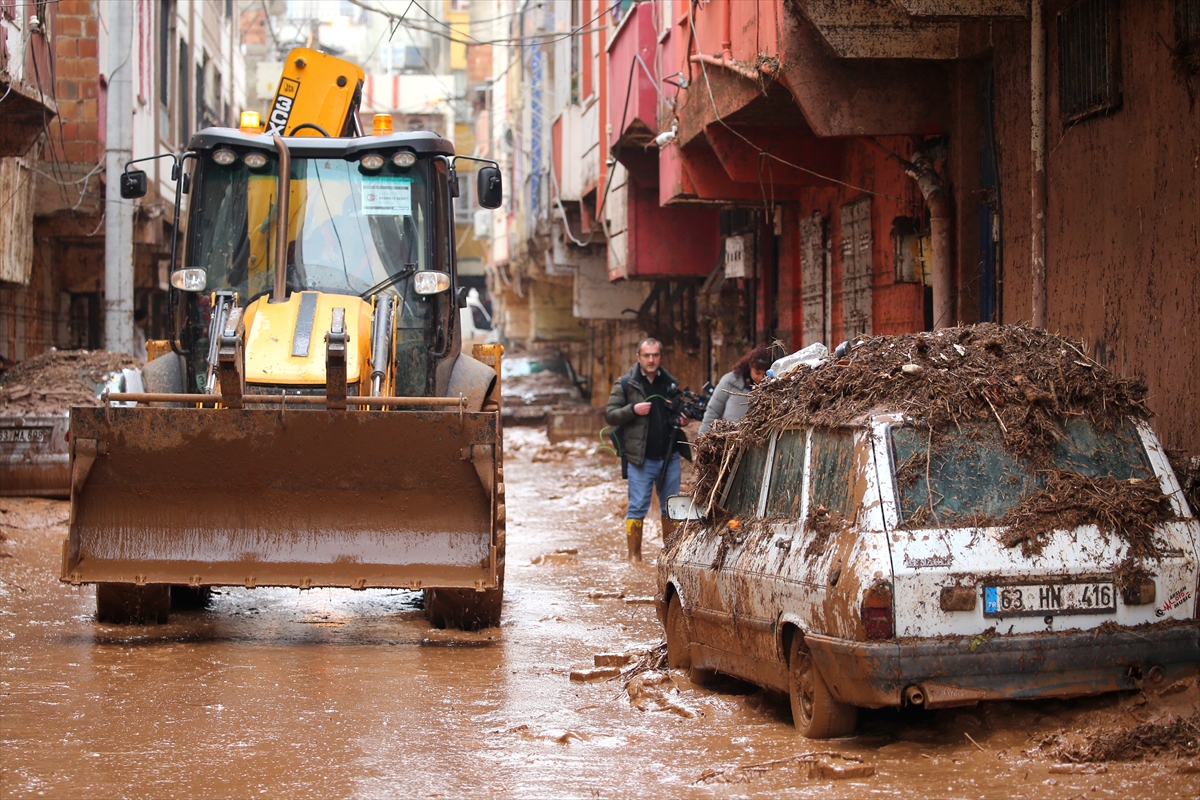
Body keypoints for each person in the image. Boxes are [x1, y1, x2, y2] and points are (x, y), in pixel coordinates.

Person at [605, 338, 692, 562]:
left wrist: (682, 421)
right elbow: (611, 414)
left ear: (661, 357)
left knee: (671, 506)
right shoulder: (626, 384)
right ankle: (634, 559)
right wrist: (633, 409)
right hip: (640, 459)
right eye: (647, 355)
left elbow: (677, 413)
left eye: (655, 355)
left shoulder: (670, 385)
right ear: (639, 357)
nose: (651, 360)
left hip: (670, 456)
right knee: (637, 508)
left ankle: (669, 558)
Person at [698, 345, 773, 436]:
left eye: (765, 374)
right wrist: (703, 437)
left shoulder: (774, 388)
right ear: (750, 367)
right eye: (757, 373)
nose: (761, 378)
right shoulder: (731, 381)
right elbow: (713, 411)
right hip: (730, 440)